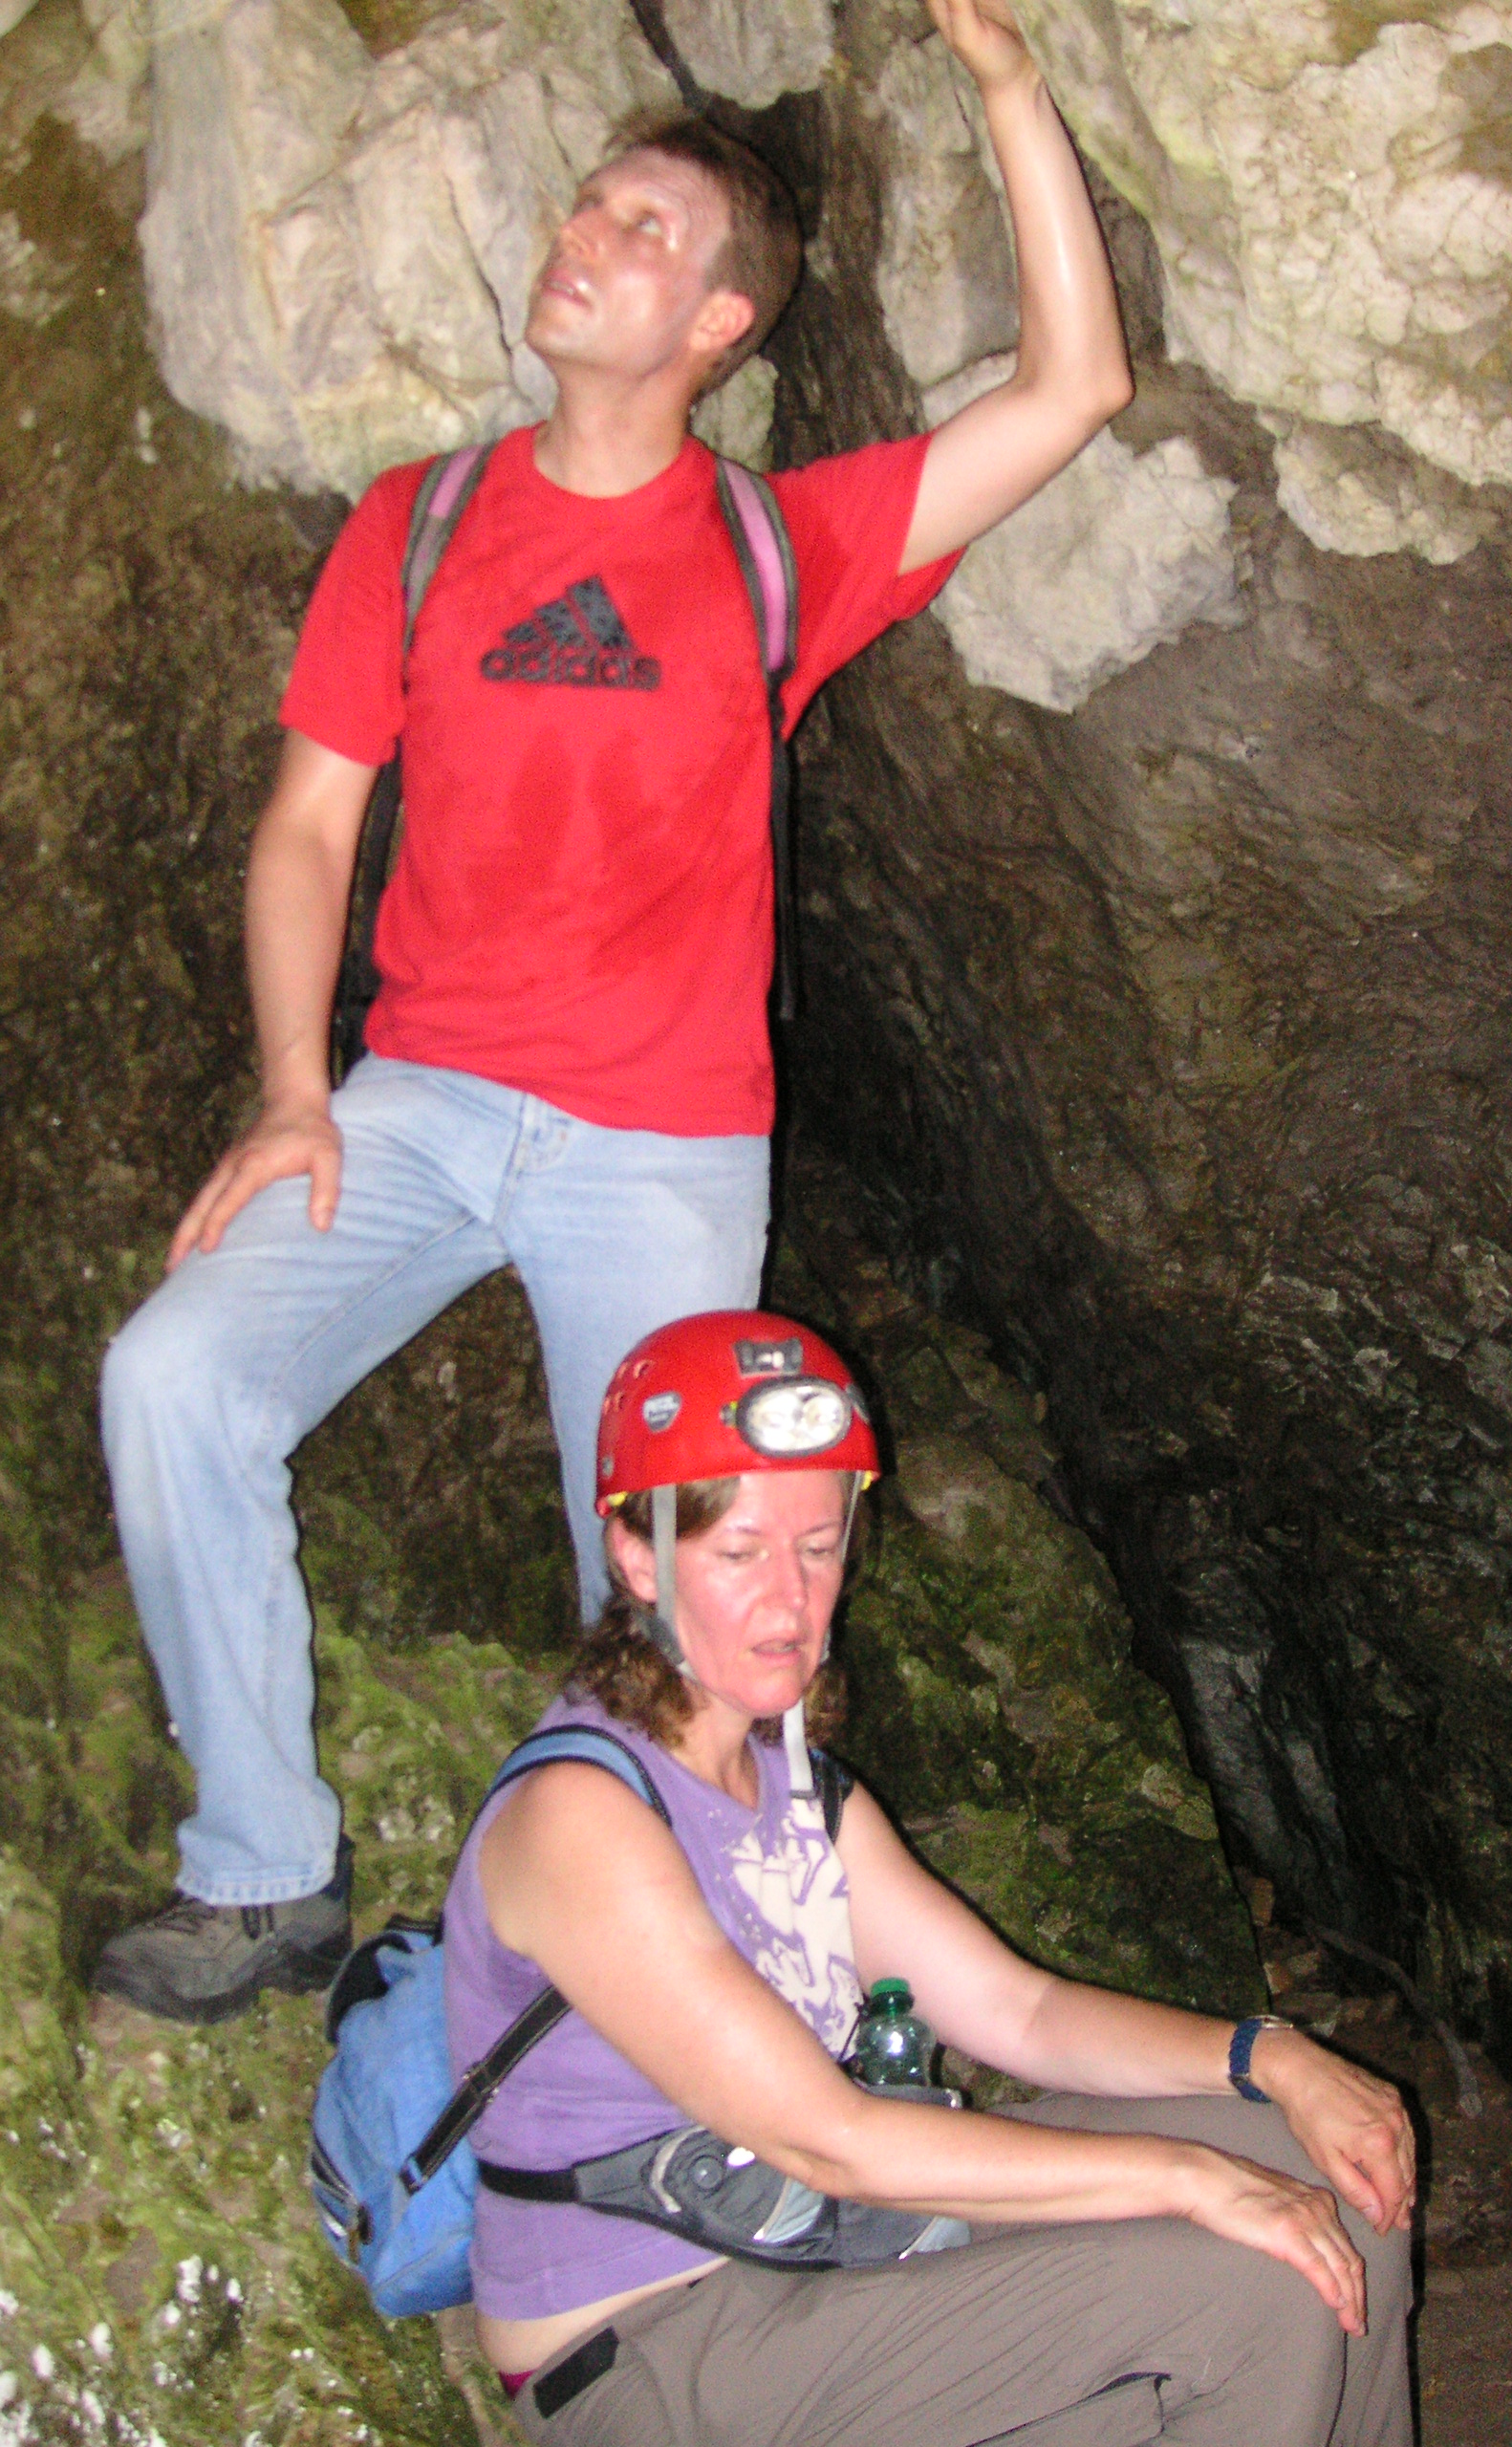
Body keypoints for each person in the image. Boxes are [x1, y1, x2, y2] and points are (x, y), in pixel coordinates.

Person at [94, 0, 1135, 2022]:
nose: (584, 235)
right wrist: (294, 1089)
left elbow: (1074, 384)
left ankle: (676, 1962)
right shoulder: (415, 523)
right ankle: (264, 1870)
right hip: (418, 1099)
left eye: (643, 229)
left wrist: (1010, 85)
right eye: (588, 205)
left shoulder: (779, 546)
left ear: (722, 323)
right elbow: (309, 825)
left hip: (659, 1139)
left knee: (668, 1575)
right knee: (173, 1377)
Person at [442, 1308, 1416, 2447]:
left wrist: (1271, 2058)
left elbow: (1020, 2010)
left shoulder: (795, 1784)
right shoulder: (581, 1816)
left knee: (1342, 2179)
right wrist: (1189, 2175)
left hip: (824, 2238)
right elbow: (828, 2137)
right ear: (638, 1557)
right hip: (663, 2343)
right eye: (741, 1554)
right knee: (1247, 2286)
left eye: (819, 1547)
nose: (791, 1599)